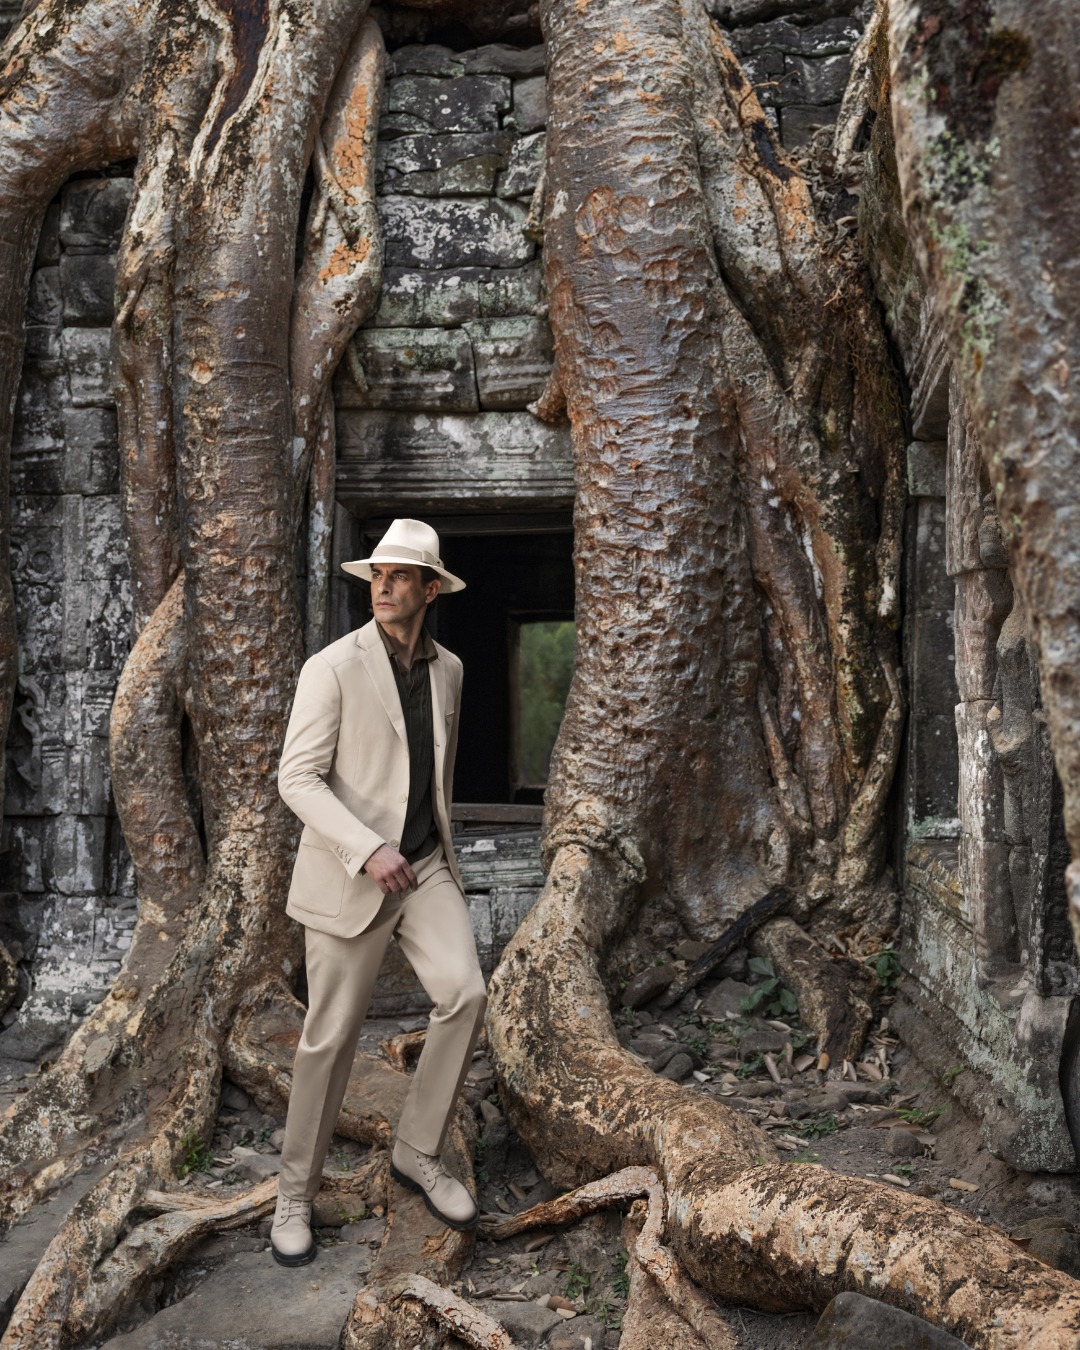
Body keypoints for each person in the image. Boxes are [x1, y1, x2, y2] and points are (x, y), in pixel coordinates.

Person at [269, 518, 486, 1267]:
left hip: (424, 868)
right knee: (327, 1042)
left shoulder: (449, 669)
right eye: (377, 575)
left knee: (466, 994)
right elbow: (294, 779)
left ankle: (418, 1151)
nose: (384, 586)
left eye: (400, 576)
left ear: (431, 589)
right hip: (349, 872)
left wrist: (421, 853)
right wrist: (366, 849)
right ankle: (294, 1196)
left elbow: (434, 775)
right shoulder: (330, 667)